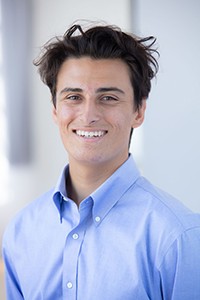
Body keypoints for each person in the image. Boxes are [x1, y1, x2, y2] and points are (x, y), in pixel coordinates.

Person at [2, 22, 200, 300]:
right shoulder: (21, 231)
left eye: (108, 97)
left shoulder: (179, 236)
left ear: (139, 111)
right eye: (73, 97)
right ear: (55, 111)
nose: (88, 115)